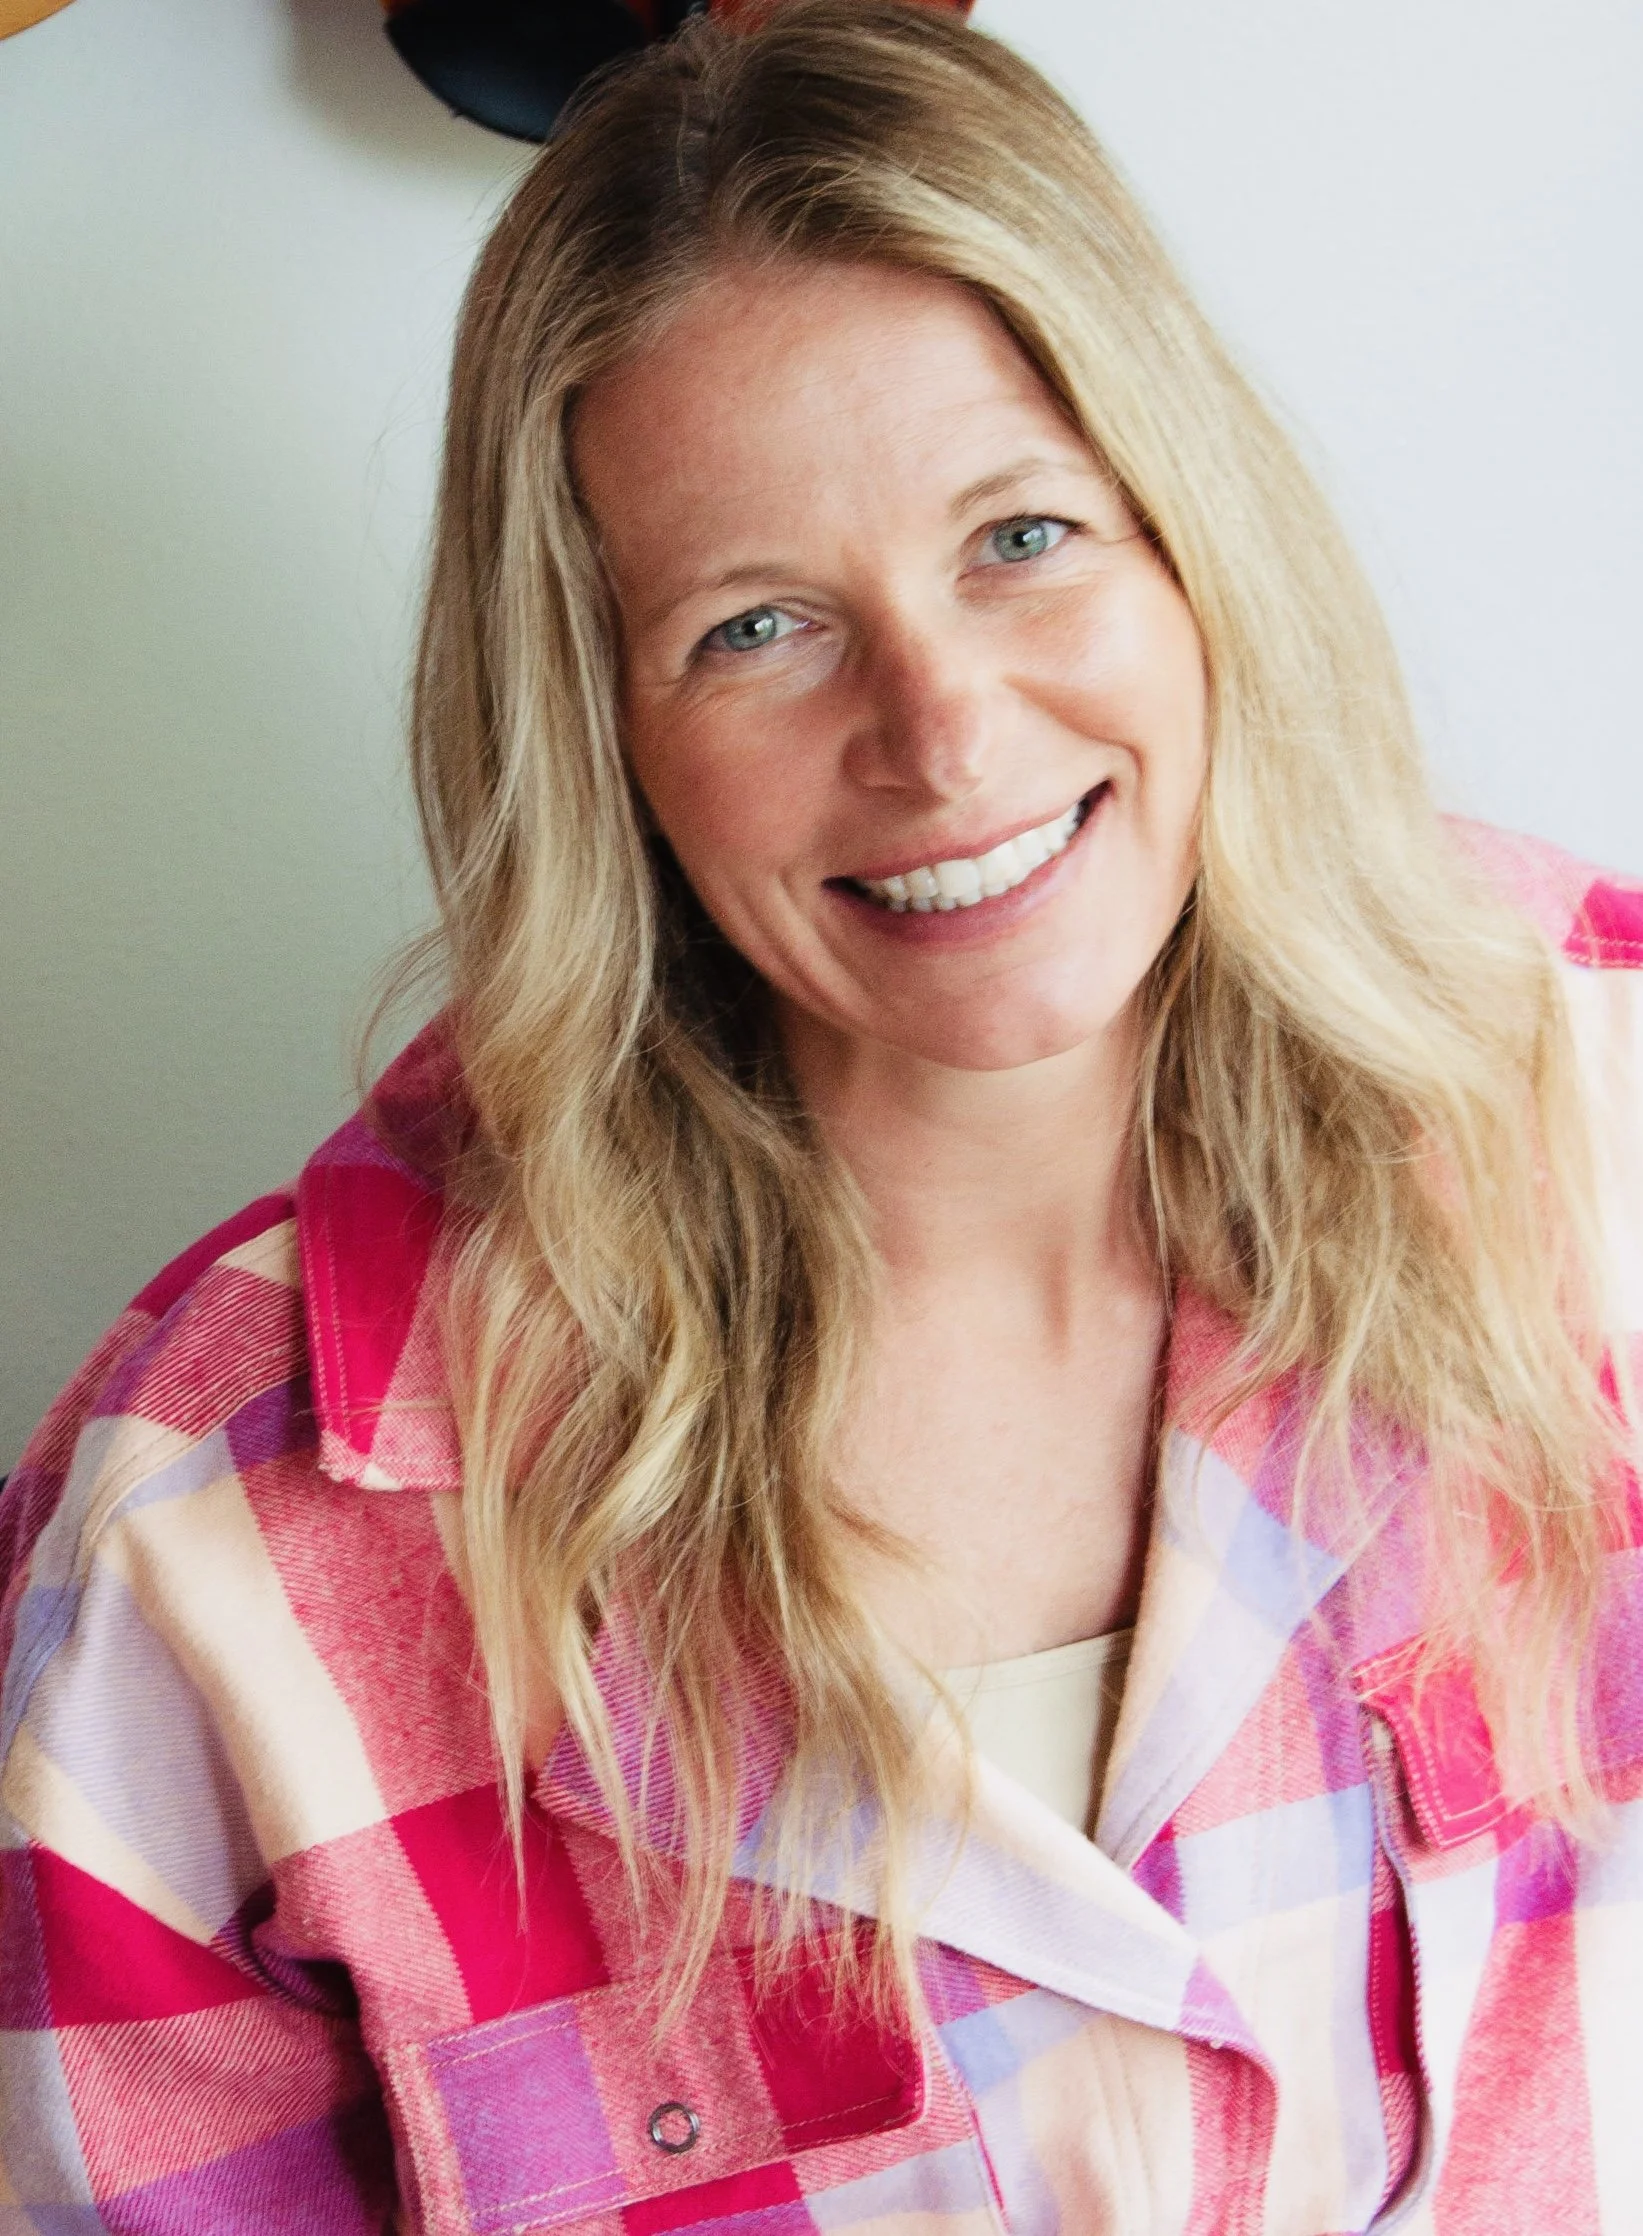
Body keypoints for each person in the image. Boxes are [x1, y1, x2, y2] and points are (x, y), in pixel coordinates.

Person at [3, 3, 1641, 2228]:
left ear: (1194, 541)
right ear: (598, 734)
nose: (943, 732)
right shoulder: (219, 1533)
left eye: (1022, 535)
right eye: (754, 625)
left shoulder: (1588, 1104)